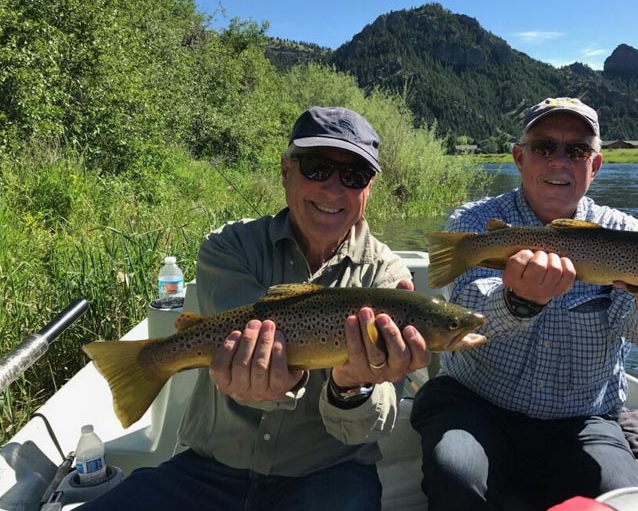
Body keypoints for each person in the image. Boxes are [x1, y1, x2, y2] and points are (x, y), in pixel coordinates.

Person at [82, 106, 431, 511]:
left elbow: (371, 427)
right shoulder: (229, 247)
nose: (334, 190)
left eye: (354, 177)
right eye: (317, 167)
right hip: (206, 473)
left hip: (328, 479)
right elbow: (242, 349)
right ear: (286, 171)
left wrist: (352, 385)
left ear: (368, 189)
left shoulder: (387, 279)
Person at [410, 97, 638, 510]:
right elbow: (458, 320)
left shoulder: (627, 235)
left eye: (577, 150)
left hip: (583, 419)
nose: (559, 161)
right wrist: (517, 300)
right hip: (475, 404)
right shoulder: (474, 227)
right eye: (544, 147)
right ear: (519, 157)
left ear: (595, 165)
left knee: (619, 499)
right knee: (456, 475)